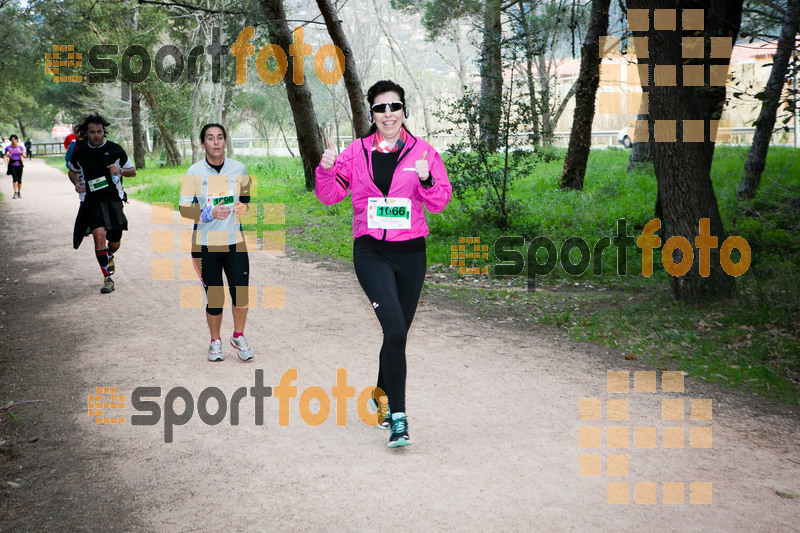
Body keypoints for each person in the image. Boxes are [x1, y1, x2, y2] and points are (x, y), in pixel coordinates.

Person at [315, 80, 452, 448]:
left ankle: (378, 396)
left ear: (404, 110)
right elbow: (330, 195)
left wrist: (425, 178)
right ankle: (399, 419)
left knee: (397, 333)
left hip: (411, 255)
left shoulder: (424, 152)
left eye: (394, 106)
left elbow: (440, 201)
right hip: (371, 252)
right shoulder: (355, 153)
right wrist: (326, 169)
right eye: (380, 108)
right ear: (372, 114)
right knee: (394, 331)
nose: (388, 113)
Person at [179, 123, 254, 363]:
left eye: (220, 137)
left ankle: (238, 336)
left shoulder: (239, 168)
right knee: (216, 298)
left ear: (225, 141)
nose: (216, 142)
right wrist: (208, 214)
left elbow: (245, 198)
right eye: (210, 138)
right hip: (204, 246)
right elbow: (184, 210)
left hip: (235, 243)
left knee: (241, 295)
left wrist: (244, 207)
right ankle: (215, 342)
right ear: (203, 144)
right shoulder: (194, 172)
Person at [67, 114, 136, 294]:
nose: (96, 135)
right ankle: (108, 278)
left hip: (113, 200)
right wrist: (76, 183)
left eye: (99, 132)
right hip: (91, 201)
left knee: (114, 241)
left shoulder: (115, 150)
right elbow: (72, 171)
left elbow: (132, 171)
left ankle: (109, 254)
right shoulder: (80, 152)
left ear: (104, 131)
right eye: (92, 132)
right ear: (86, 133)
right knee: (98, 237)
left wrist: (119, 170)